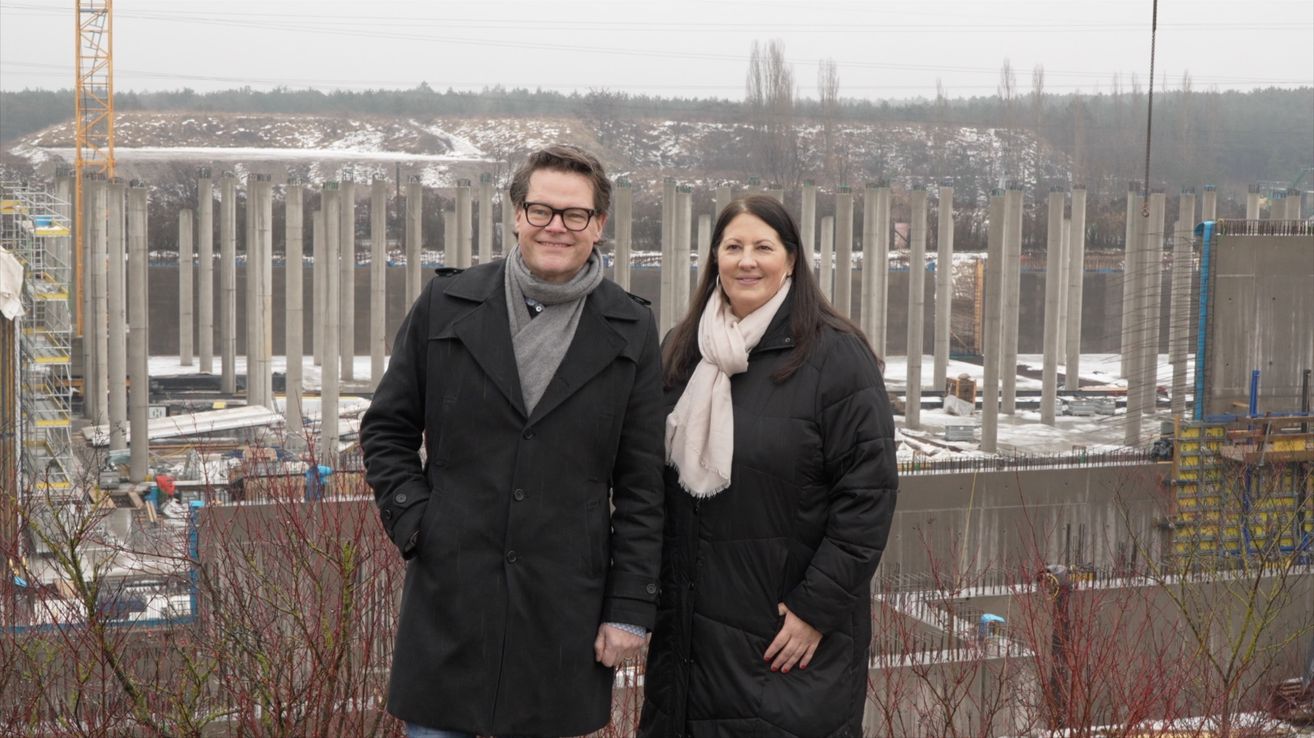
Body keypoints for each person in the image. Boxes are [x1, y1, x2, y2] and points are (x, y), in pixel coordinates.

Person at [360, 145, 665, 738]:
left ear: (599, 225)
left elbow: (642, 484)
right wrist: (418, 522)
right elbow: (387, 427)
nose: (556, 226)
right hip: (450, 602)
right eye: (541, 209)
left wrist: (630, 610)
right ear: (516, 215)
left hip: (563, 615)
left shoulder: (630, 327)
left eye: (575, 214)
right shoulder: (448, 304)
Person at [639, 195, 898, 738]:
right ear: (714, 258)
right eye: (733, 246)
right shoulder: (682, 351)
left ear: (792, 260)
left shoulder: (835, 357)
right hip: (687, 642)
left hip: (786, 643)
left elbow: (868, 497)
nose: (746, 260)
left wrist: (815, 610)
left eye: (763, 246)